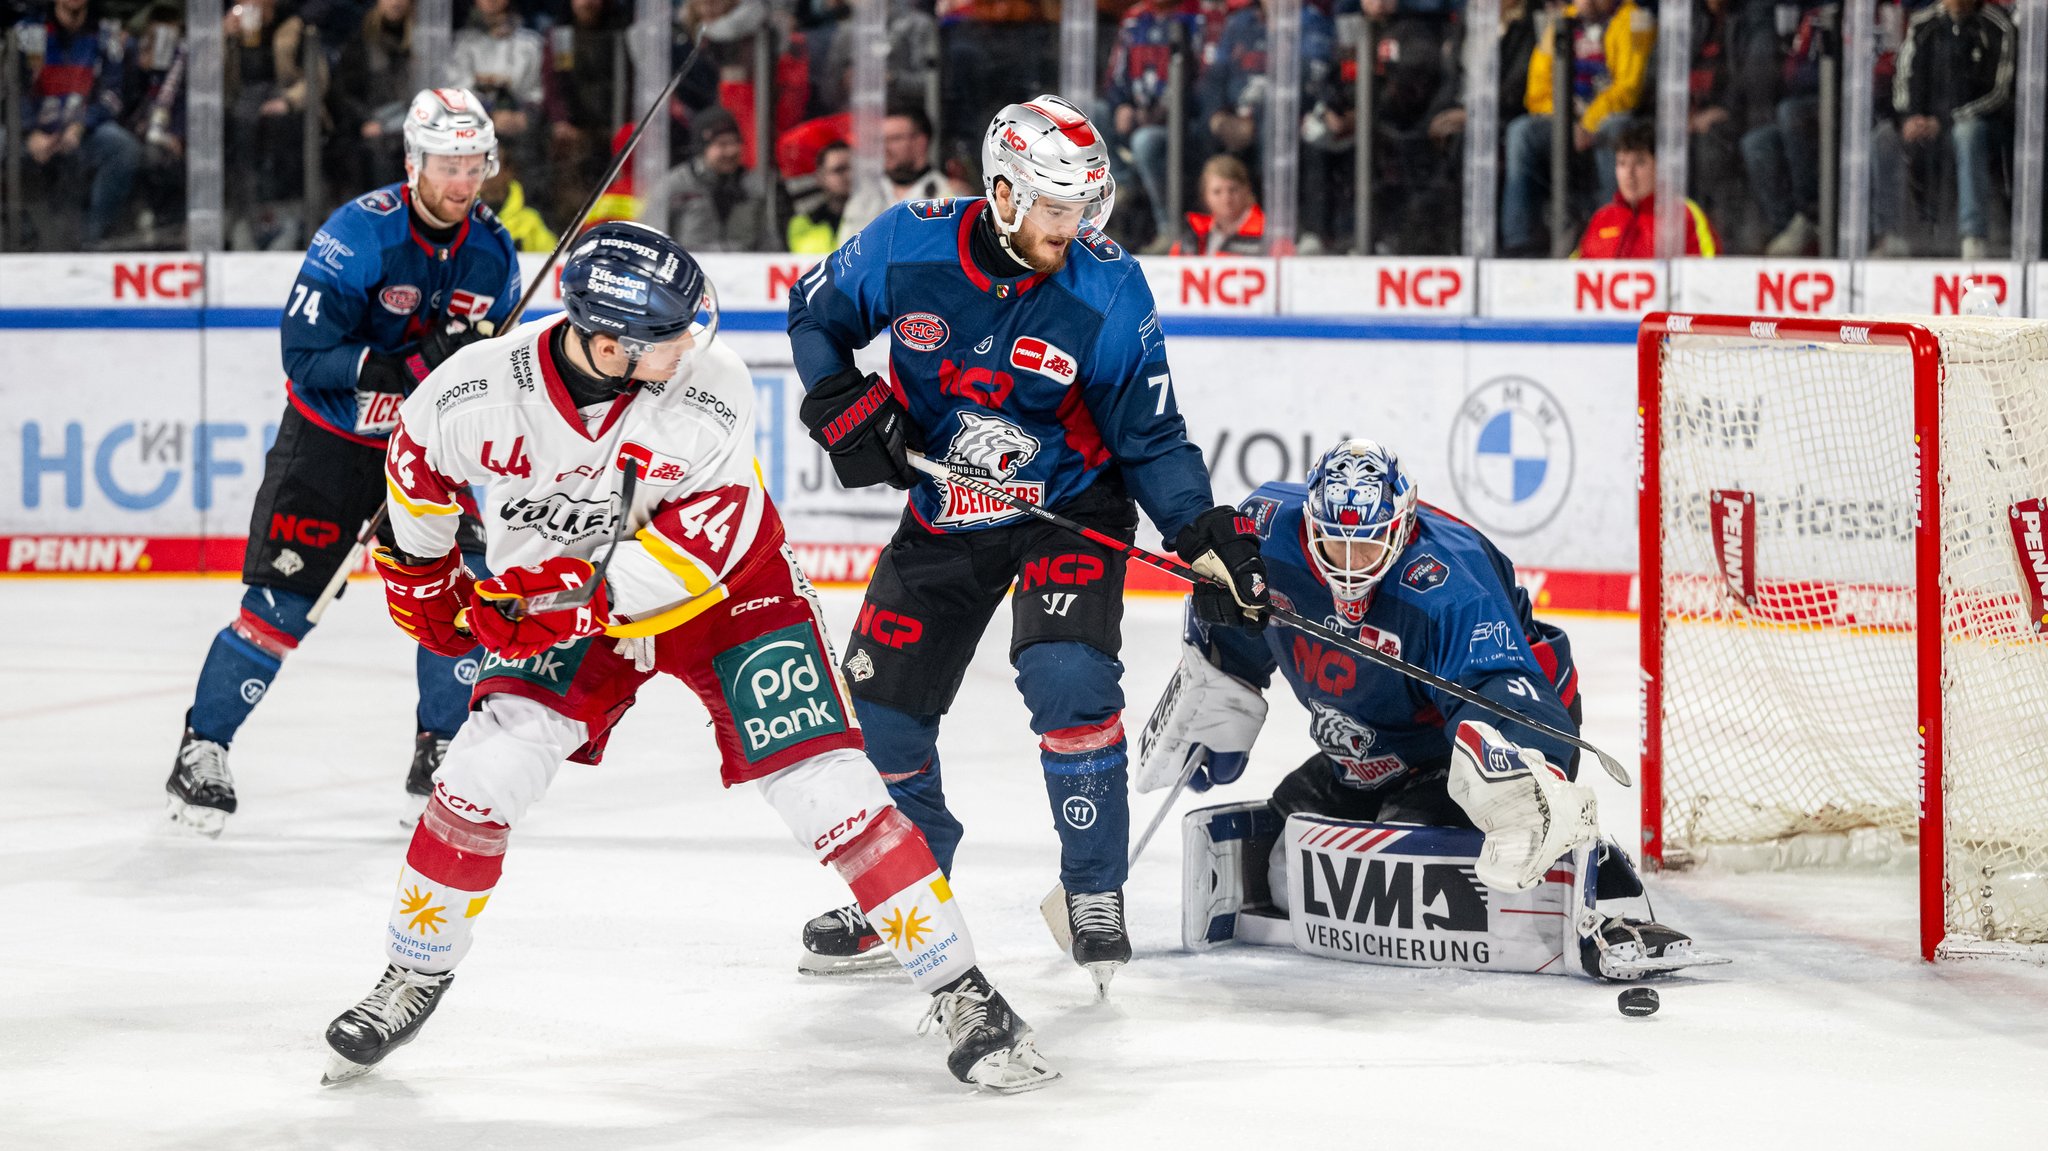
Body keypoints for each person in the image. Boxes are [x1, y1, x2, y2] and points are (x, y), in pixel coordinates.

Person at [321, 221, 1057, 1095]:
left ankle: (965, 991)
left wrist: (575, 596)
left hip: (730, 597)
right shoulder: (472, 391)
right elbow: (416, 462)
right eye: (668, 335)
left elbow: (704, 544)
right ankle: (414, 971)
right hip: (566, 609)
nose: (691, 345)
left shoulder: (715, 389)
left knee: (829, 784)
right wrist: (422, 572)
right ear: (605, 343)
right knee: (480, 772)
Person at [786, 95, 1270, 994]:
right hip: (947, 508)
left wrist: (1202, 530)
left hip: (1074, 507)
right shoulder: (906, 244)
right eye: (1057, 209)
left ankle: (1095, 887)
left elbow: (1152, 438)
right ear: (1003, 194)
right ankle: (905, 883)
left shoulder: (1109, 287)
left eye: (1087, 206)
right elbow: (813, 314)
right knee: (879, 709)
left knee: (1069, 677)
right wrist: (833, 397)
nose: (1076, 226)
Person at [1139, 439, 1718, 980]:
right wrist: (1219, 683)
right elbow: (1237, 625)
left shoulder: (1449, 586)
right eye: (1333, 544)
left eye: (1365, 544)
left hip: (1459, 747)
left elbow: (1508, 688)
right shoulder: (1265, 537)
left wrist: (1525, 770)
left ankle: (1586, 867)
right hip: (1366, 747)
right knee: (1288, 852)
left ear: (1401, 527)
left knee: (1412, 839)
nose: (1348, 564)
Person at [163, 88, 520, 838]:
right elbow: (302, 355)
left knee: (458, 604)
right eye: (447, 165)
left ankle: (440, 748)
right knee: (279, 612)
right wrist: (404, 367)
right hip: (327, 447)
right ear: (413, 162)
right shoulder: (358, 236)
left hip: (425, 454)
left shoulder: (494, 251)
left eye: (473, 165)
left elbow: (489, 366)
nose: (462, 182)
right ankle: (203, 748)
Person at [1500, 0, 1655, 257]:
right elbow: (1537, 90)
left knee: (1615, 129)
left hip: (1606, 121)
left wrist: (1586, 124)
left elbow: (1628, 89)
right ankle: (1520, 242)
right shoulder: (1561, 24)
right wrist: (1567, 123)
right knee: (1522, 132)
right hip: (1565, 121)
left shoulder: (1634, 20)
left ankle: (1614, 227)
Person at [14, 0, 142, 249]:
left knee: (124, 148)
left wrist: (81, 124)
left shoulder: (106, 34)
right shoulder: (29, 32)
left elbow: (113, 95)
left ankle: (93, 241)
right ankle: (18, 236)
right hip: (31, 135)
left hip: (83, 134)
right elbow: (15, 88)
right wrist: (30, 131)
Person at [1576, 119, 1719, 258]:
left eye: (1640, 162)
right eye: (1622, 163)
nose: (1629, 173)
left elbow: (1709, 274)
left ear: (1660, 167)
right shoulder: (1601, 219)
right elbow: (1571, 276)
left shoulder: (1683, 215)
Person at [834, 102, 958, 240]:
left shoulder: (950, 195)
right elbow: (846, 253)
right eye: (880, 141)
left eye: (894, 139)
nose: (884, 148)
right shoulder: (863, 198)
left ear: (920, 141)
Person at [1170, 153, 1268, 255]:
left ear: (1247, 190)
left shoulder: (1267, 230)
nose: (1226, 198)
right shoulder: (1192, 234)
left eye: (1233, 190)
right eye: (1217, 192)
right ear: (1205, 196)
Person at [786, 139, 852, 252]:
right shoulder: (804, 223)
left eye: (853, 168)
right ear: (820, 177)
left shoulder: (876, 216)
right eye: (839, 170)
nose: (849, 175)